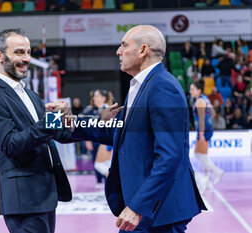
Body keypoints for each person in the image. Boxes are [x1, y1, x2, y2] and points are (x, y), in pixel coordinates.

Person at [55, 25, 206, 232]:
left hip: (158, 211)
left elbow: (170, 155)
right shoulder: (141, 85)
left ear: (143, 50)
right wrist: (68, 121)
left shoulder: (162, 87)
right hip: (146, 209)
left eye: (124, 45)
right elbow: (116, 131)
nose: (118, 51)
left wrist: (138, 207)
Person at [0, 28, 72, 233]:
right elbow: (11, 144)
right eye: (19, 52)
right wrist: (50, 121)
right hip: (23, 199)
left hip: (44, 194)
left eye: (28, 52)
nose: (27, 58)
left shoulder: (30, 94)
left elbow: (56, 133)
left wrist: (97, 121)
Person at [190, 80, 224, 193]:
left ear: (199, 90)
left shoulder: (200, 101)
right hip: (207, 129)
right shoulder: (205, 98)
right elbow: (213, 113)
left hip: (203, 131)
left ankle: (216, 171)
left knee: (199, 155)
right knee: (201, 155)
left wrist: (201, 134)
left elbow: (201, 119)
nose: (190, 91)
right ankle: (208, 181)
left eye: (192, 89)